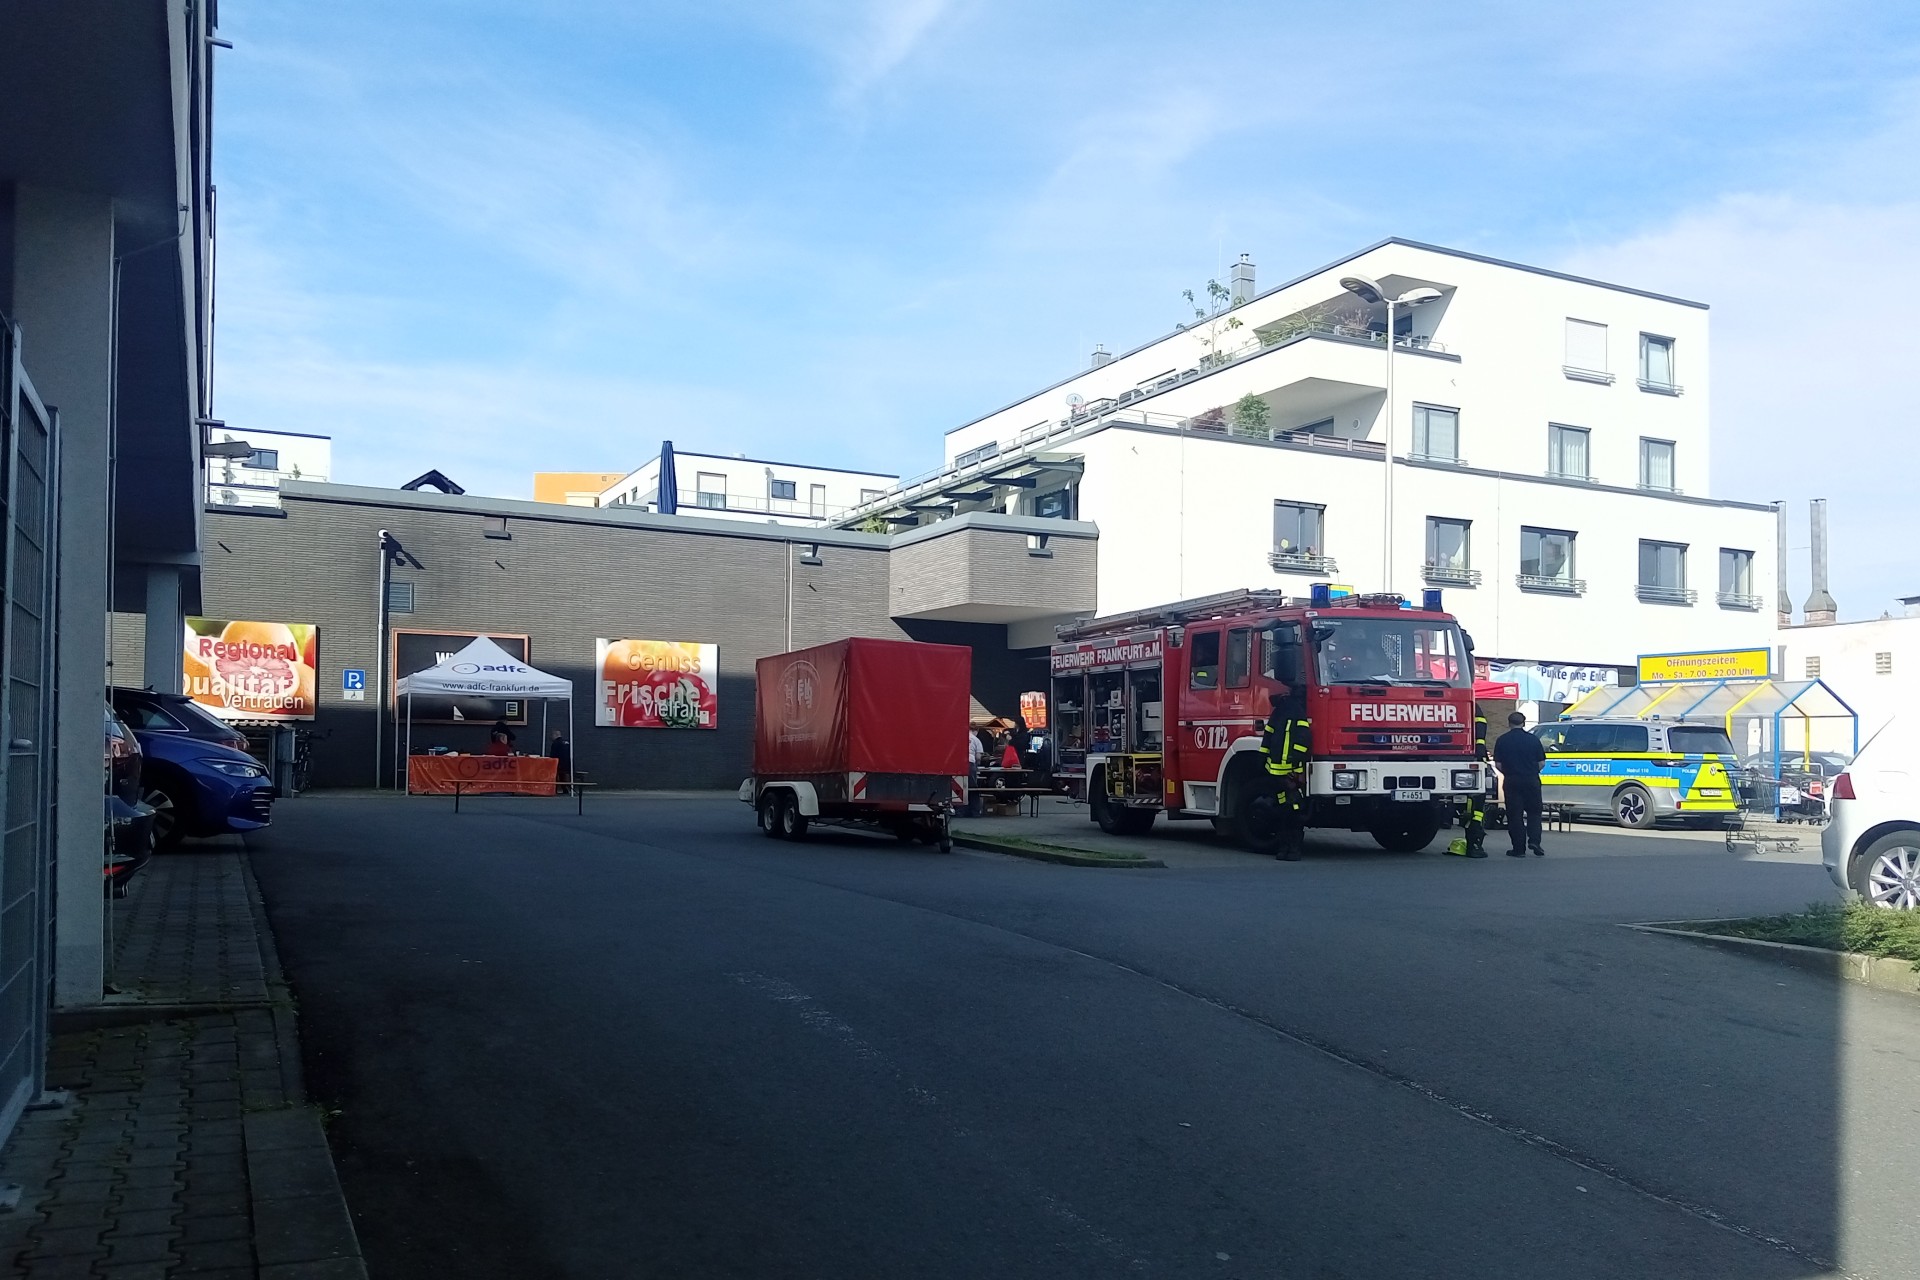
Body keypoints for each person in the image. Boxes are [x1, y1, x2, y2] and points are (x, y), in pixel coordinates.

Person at [1256, 685, 1312, 861]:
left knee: (1288, 810)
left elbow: (1268, 738)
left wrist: (1263, 760)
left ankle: (1288, 849)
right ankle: (1290, 849)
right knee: (1291, 811)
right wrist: (1297, 768)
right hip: (1288, 773)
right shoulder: (1297, 712)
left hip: (1280, 772)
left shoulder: (1279, 712)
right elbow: (1303, 741)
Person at [1492, 709, 1547, 857]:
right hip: (1531, 780)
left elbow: (1498, 764)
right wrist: (1531, 771)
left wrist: (1509, 773)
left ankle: (1518, 849)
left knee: (1515, 815)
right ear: (1523, 723)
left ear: (1509, 723)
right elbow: (1541, 763)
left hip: (1512, 781)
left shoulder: (1502, 740)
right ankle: (1535, 841)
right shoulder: (1533, 739)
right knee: (1534, 813)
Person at [1449, 703, 1491, 858]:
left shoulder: (1471, 707)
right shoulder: (1475, 708)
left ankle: (1473, 843)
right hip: (1476, 758)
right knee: (1476, 812)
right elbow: (1481, 729)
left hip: (1471, 757)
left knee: (1473, 812)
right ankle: (1474, 845)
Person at [547, 729, 572, 794]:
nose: (551, 737)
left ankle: (554, 789)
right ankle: (565, 789)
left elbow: (553, 755)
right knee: (562, 775)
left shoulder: (555, 743)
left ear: (555, 735)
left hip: (559, 764)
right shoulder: (567, 743)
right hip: (568, 764)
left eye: (552, 735)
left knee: (554, 774)